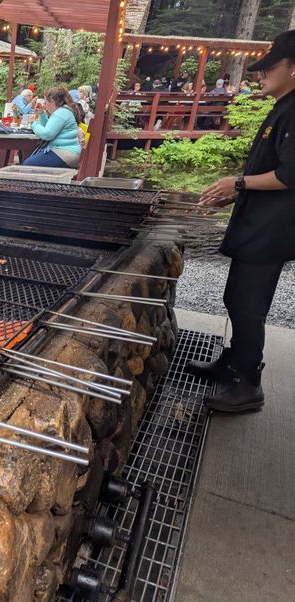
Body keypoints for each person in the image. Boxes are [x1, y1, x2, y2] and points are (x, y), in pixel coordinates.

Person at [186, 29, 295, 412]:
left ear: (294, 68)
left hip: (273, 230)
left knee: (248, 303)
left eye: (269, 67)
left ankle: (248, 383)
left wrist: (237, 183)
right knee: (237, 297)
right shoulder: (282, 105)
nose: (260, 75)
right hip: (259, 223)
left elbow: (289, 175)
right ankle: (234, 361)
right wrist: (235, 191)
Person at [22, 87, 81, 169]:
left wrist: (33, 123)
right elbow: (49, 127)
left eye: (46, 103)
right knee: (31, 162)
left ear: (52, 102)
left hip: (65, 154)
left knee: (27, 165)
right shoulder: (64, 111)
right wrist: (42, 114)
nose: (45, 106)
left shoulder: (60, 113)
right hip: (68, 152)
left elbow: (47, 134)